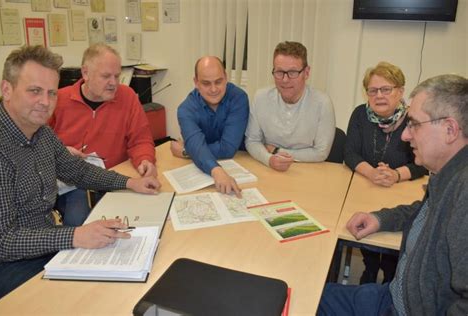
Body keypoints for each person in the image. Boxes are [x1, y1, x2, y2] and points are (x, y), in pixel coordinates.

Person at [0, 45, 161, 301]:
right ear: (7, 90)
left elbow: (77, 171)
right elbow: (3, 242)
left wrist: (130, 182)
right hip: (6, 267)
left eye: (51, 93)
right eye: (34, 91)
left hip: (47, 249)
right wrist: (75, 235)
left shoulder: (42, 134)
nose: (46, 102)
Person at [317, 74, 468, 315]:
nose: (406, 135)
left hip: (401, 309)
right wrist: (381, 218)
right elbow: (423, 213)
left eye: (415, 124)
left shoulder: (463, 190)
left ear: (450, 129)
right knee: (307, 295)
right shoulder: (448, 174)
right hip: (392, 295)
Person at [49, 43, 157, 226]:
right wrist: (60, 152)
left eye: (117, 76)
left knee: (145, 217)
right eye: (106, 76)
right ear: (85, 73)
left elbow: (141, 139)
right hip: (76, 184)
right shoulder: (57, 100)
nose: (114, 83)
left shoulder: (128, 97)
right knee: (80, 223)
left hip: (118, 176)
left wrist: (145, 160)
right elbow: (37, 145)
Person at [344, 62, 427, 284]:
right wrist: (371, 173)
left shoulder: (413, 120)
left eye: (386, 89)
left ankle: (390, 275)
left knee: (392, 236)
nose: (379, 95)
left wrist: (396, 175)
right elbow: (349, 153)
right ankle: (369, 270)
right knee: (366, 225)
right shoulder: (360, 114)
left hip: (400, 191)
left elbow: (422, 163)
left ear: (400, 91)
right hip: (365, 186)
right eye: (373, 90)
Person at [245, 41, 335, 172]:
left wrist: (276, 151)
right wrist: (269, 159)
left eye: (292, 72)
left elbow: (321, 152)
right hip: (268, 168)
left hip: (308, 171)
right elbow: (252, 140)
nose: (285, 80)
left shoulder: (322, 103)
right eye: (279, 72)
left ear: (306, 73)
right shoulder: (261, 98)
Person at [170, 56, 249, 196]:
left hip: (242, 160)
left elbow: (228, 149)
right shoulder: (185, 110)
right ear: (196, 82)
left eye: (218, 81)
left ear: (226, 77)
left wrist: (187, 151)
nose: (213, 89)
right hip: (206, 173)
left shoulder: (239, 98)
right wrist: (216, 170)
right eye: (206, 83)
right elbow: (196, 143)